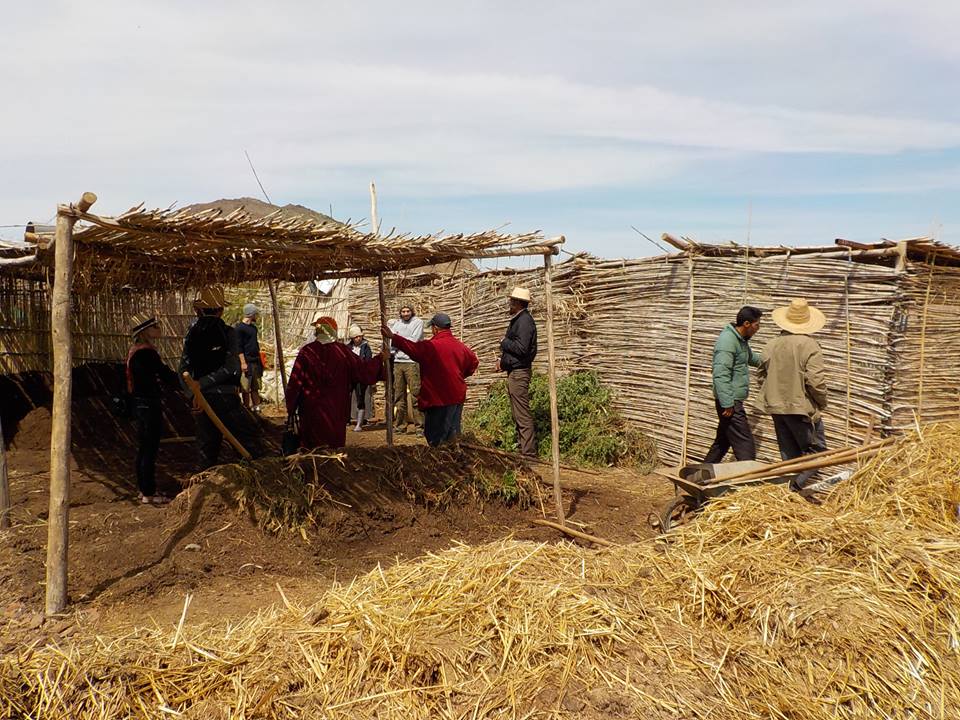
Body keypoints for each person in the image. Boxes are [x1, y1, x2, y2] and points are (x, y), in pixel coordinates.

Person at [179, 286, 263, 469]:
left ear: (200, 309)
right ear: (221, 310)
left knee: (207, 447)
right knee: (247, 439)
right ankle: (254, 480)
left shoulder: (191, 334)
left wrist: (193, 394)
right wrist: (202, 384)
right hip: (224, 396)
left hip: (202, 399)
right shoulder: (227, 332)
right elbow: (231, 367)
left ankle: (205, 484)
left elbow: (183, 368)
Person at [758, 298, 829, 491]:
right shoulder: (810, 346)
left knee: (788, 455)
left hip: (776, 407)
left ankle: (787, 493)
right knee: (817, 453)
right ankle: (794, 488)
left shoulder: (771, 344)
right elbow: (815, 381)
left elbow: (761, 374)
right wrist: (821, 402)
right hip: (800, 409)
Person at [382, 312, 479, 447]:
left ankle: (442, 464)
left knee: (436, 438)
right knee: (453, 434)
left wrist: (393, 337)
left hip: (438, 398)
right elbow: (473, 362)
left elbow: (413, 349)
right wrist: (459, 376)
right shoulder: (461, 347)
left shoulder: (431, 346)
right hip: (457, 396)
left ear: (435, 328)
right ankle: (454, 461)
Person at [286, 315, 383, 449]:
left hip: (310, 409)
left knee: (310, 449)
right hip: (335, 409)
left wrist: (291, 407)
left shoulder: (307, 351)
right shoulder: (342, 352)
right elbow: (364, 370)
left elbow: (294, 384)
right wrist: (380, 359)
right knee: (333, 446)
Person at [127, 312, 179, 504]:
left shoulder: (135, 352)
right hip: (148, 404)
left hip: (140, 403)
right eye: (155, 326)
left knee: (143, 448)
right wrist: (185, 384)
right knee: (150, 448)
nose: (158, 328)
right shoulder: (147, 354)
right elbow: (164, 374)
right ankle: (149, 492)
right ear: (146, 331)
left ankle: (143, 488)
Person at [703, 306, 763, 464]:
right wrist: (727, 403)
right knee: (745, 446)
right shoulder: (727, 341)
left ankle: (698, 477)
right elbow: (720, 374)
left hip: (731, 400)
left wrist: (772, 362)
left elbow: (752, 358)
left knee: (721, 443)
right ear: (747, 324)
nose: (758, 329)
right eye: (757, 325)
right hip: (730, 402)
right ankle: (748, 483)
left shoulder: (740, 341)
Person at [496, 287, 538, 457]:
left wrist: (504, 342)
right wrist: (504, 362)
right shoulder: (519, 319)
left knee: (521, 412)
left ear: (519, 303)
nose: (510, 304)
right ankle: (523, 448)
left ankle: (528, 452)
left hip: (519, 373)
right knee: (517, 411)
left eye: (512, 301)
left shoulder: (524, 321)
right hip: (515, 370)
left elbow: (521, 349)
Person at [388, 304, 424, 434]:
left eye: (408, 311)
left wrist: (399, 341)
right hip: (398, 362)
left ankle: (419, 426)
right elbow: (391, 343)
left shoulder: (418, 322)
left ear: (412, 312)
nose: (405, 313)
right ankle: (400, 425)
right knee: (399, 395)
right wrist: (398, 343)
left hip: (411, 362)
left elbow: (414, 341)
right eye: (403, 311)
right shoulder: (396, 325)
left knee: (415, 394)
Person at [235, 303, 263, 413]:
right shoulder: (239, 329)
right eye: (256, 314)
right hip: (246, 362)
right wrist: (243, 363)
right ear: (251, 314)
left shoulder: (253, 328)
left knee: (255, 387)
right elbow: (239, 347)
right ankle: (247, 409)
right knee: (245, 388)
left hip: (255, 361)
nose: (257, 316)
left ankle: (257, 408)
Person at [347, 324, 375, 432]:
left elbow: (368, 360)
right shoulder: (348, 348)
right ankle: (346, 419)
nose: (358, 339)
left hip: (361, 377)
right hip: (350, 376)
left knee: (360, 397)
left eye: (359, 336)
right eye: (356, 337)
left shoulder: (366, 347)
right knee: (347, 397)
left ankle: (359, 423)